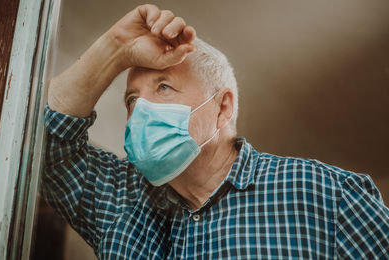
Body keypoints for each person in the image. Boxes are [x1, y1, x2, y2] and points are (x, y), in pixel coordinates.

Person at [42, 4, 389, 259]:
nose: (141, 110)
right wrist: (115, 49)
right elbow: (45, 143)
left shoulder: (326, 195)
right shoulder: (120, 199)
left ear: (222, 108)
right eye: (132, 100)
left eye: (163, 87)